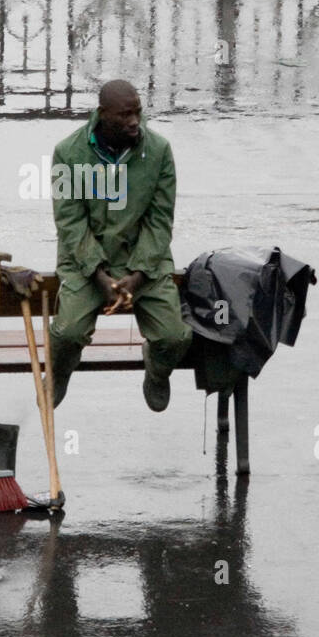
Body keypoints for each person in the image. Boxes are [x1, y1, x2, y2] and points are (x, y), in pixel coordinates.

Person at [47, 79, 192, 412]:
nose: (134, 122)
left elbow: (159, 221)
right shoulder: (68, 153)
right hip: (86, 265)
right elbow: (70, 222)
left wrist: (139, 274)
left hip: (143, 261)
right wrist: (98, 275)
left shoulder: (158, 151)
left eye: (138, 113)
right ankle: (59, 374)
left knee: (174, 338)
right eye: (125, 115)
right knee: (67, 334)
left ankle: (156, 371)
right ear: (102, 115)